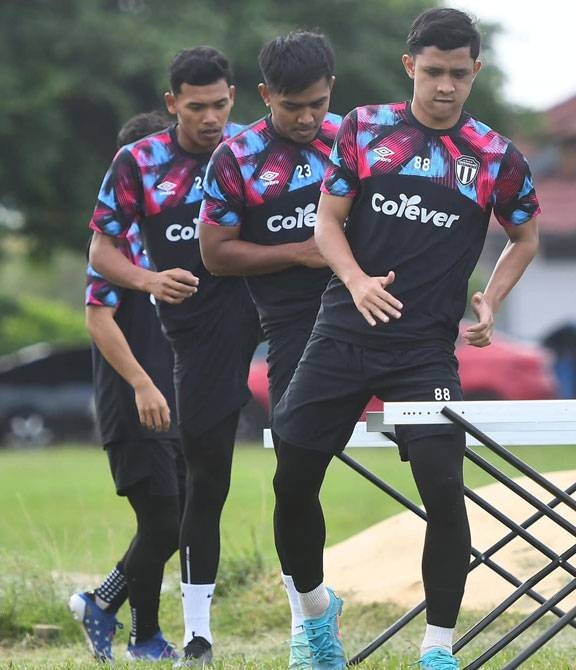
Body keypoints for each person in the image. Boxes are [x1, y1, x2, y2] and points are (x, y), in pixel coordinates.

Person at [270, 8, 541, 670]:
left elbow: (525, 236)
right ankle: (313, 616)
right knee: (292, 479)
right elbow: (326, 224)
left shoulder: (496, 157)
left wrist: (491, 301)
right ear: (409, 66)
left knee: (444, 490)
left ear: (475, 71)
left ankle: (438, 651)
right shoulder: (366, 129)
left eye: (458, 74)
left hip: (424, 351)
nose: (444, 86)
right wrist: (357, 280)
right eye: (432, 72)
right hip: (342, 331)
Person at [87, 46, 260, 666]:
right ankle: (159, 633)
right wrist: (148, 281)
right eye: (195, 108)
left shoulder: (250, 150)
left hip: (216, 359)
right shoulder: (138, 182)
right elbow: (100, 283)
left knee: (185, 506)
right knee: (171, 510)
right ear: (171, 107)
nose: (211, 118)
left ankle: (122, 613)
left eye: (219, 104)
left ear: (234, 97)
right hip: (160, 371)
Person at [197, 30, 340, 670]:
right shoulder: (237, 157)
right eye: (291, 107)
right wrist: (300, 251)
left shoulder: (362, 141)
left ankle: (438, 637)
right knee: (293, 482)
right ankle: (311, 620)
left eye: (316, 103)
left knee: (435, 462)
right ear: (264, 96)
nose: (307, 118)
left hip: (372, 316)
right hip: (290, 329)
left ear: (331, 89)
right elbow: (215, 254)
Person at [69, 110, 182, 663]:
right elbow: (97, 317)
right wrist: (142, 384)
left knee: (175, 520)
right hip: (134, 400)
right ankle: (128, 625)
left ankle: (121, 619)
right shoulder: (117, 241)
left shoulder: (173, 228)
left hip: (174, 397)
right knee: (165, 520)